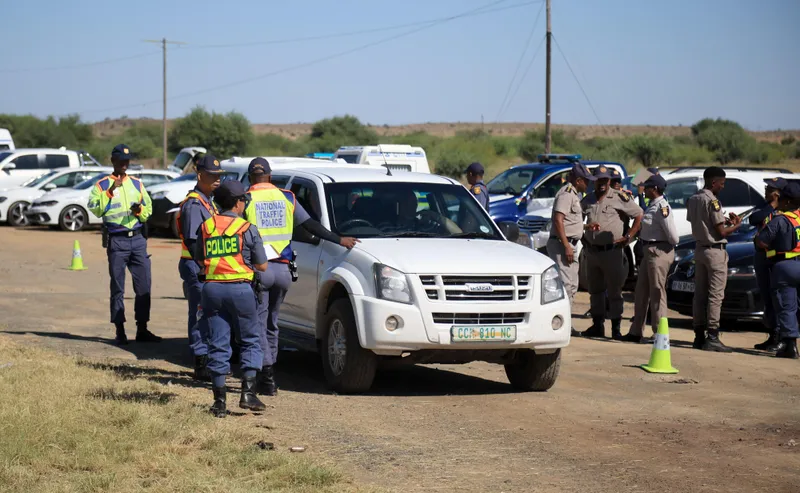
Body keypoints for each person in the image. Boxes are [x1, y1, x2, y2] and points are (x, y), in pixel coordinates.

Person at [243, 158, 360, 396]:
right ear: (270, 175)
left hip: (259, 271)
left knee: (257, 324)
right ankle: (270, 375)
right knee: (272, 324)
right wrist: (340, 239)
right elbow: (311, 226)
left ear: (249, 176)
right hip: (283, 271)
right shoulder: (287, 198)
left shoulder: (245, 199)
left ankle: (263, 376)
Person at [195, 180, 269, 417]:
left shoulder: (206, 227)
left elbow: (199, 258)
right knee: (250, 340)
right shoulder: (247, 229)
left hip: (212, 290)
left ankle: (219, 402)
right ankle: (247, 394)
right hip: (240, 291)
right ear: (238, 203)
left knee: (217, 341)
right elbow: (262, 265)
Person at [88, 144, 161, 345]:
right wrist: (111, 190)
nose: (124, 165)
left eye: (127, 161)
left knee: (143, 285)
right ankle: (119, 329)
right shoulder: (101, 185)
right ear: (112, 161)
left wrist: (140, 210)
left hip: (137, 240)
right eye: (121, 161)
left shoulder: (137, 184)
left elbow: (148, 210)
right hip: (117, 240)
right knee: (118, 287)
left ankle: (142, 328)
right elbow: (96, 209)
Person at [579, 166, 643, 339]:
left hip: (612, 252)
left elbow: (638, 214)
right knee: (595, 290)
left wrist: (628, 236)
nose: (602, 183)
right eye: (599, 180)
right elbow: (577, 219)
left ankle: (616, 329)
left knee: (615, 291)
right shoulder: (588, 199)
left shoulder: (619, 197)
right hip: (592, 252)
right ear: (594, 181)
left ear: (609, 181)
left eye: (605, 180)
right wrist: (583, 238)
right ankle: (597, 325)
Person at [685, 167, 742, 352]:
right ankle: (713, 336)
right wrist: (736, 225)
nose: (723, 187)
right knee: (715, 296)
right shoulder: (713, 201)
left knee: (699, 295)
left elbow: (700, 222)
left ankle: (699, 335)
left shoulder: (694, 198)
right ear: (713, 182)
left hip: (700, 250)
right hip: (715, 251)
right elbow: (722, 232)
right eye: (722, 183)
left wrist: (724, 222)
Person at [177, 155, 222, 381]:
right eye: (212, 175)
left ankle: (206, 357)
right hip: (196, 265)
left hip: (205, 265)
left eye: (219, 176)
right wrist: (204, 265)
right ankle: (200, 361)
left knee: (207, 313)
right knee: (198, 314)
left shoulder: (207, 200)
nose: (217, 179)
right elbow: (193, 240)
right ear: (199, 175)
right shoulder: (195, 203)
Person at [622, 172, 679, 343]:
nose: (644, 190)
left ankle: (659, 333)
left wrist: (660, 247)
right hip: (648, 252)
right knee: (641, 293)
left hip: (658, 252)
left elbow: (674, 237)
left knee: (657, 293)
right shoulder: (652, 205)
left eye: (646, 187)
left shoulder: (662, 208)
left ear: (654, 189)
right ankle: (636, 332)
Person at [546, 162, 596, 336]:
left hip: (569, 244)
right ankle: (563, 326)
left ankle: (565, 324)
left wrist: (586, 227)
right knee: (567, 286)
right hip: (562, 246)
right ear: (579, 180)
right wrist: (567, 245)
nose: (588, 184)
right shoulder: (567, 194)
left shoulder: (574, 194)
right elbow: (558, 220)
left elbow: (568, 222)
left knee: (571, 286)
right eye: (586, 181)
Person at [755, 181, 800, 359]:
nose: (778, 202)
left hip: (785, 267)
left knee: (786, 306)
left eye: (781, 199)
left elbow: (761, 241)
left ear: (788, 202)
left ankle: (790, 346)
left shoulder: (780, 220)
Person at [750, 177, 787, 351]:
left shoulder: (787, 211)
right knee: (767, 298)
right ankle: (772, 335)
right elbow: (753, 219)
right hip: (762, 258)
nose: (765, 190)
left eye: (769, 189)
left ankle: (782, 337)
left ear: (777, 193)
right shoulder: (766, 208)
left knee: (778, 299)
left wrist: (777, 205)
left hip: (778, 260)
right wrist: (771, 205)